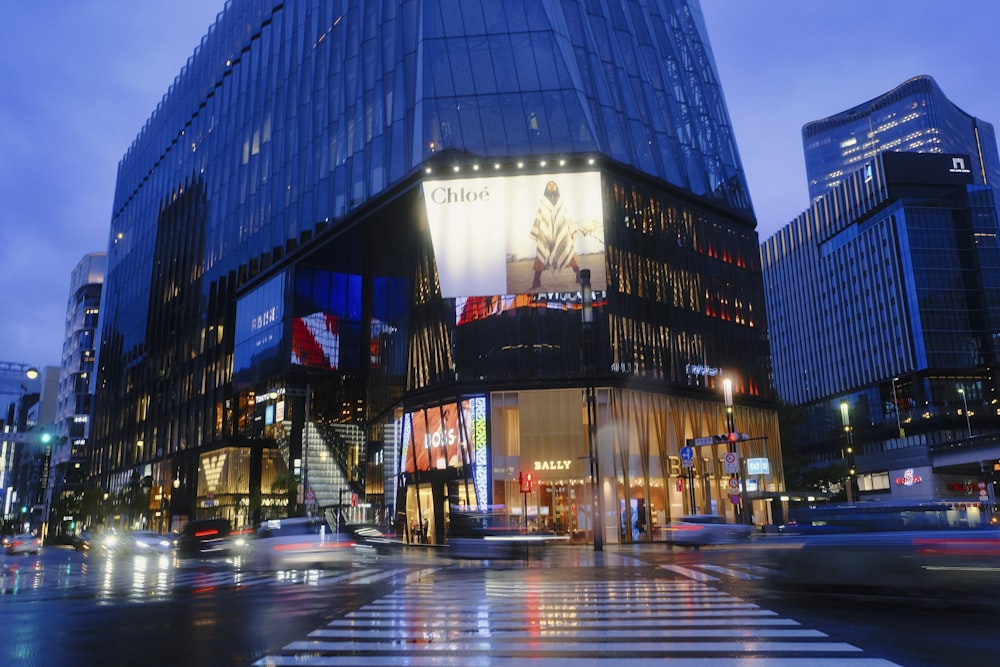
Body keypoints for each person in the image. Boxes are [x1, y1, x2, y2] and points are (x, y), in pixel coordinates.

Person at [529, 180, 580, 289]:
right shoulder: (542, 201)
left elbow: (566, 215)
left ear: (557, 187)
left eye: (553, 184)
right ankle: (536, 281)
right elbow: (539, 217)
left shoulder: (561, 201)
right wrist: (537, 232)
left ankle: (579, 276)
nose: (552, 186)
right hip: (546, 233)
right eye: (549, 185)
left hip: (561, 232)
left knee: (569, 253)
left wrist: (572, 230)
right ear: (546, 188)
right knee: (541, 255)